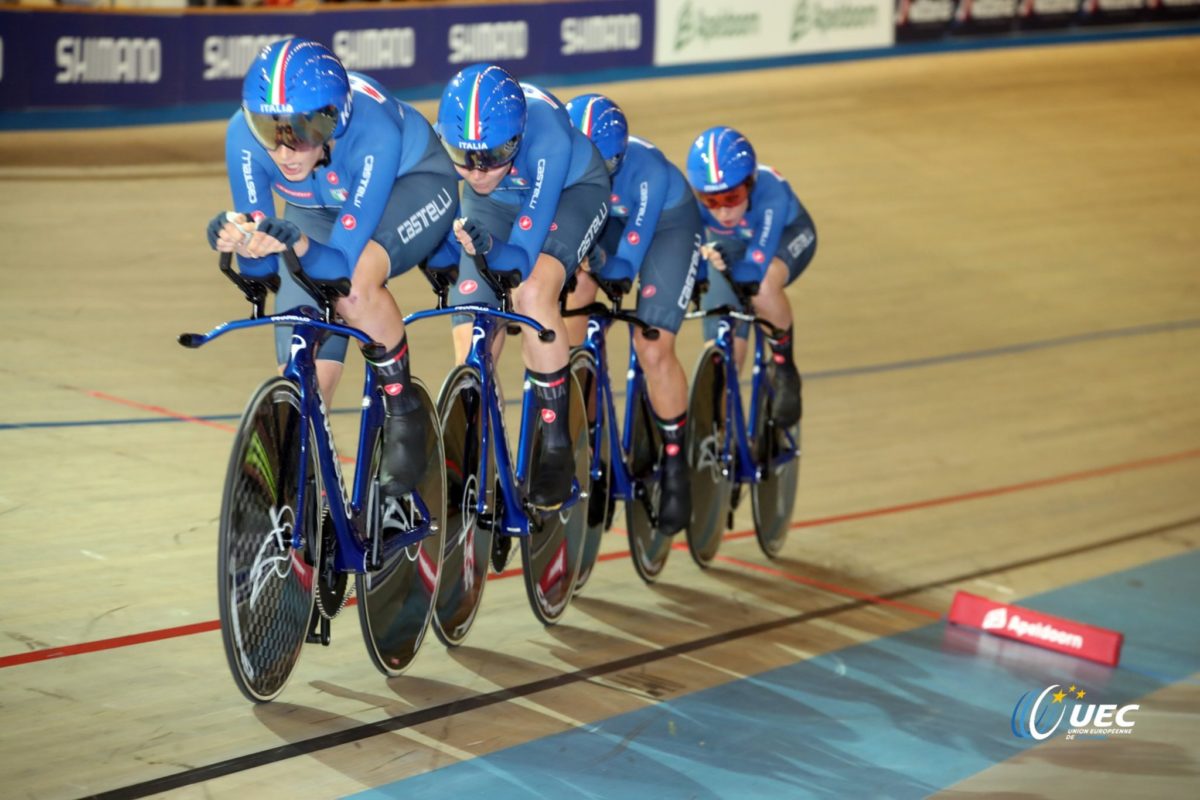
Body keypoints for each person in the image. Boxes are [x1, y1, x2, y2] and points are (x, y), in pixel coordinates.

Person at [205, 37, 459, 502]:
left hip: (410, 187)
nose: (283, 151)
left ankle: (404, 410)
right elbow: (260, 262)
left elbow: (339, 265)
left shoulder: (372, 131)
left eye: (298, 132)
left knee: (353, 289)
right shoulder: (242, 134)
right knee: (303, 380)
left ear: (331, 120)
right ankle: (309, 514)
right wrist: (235, 236)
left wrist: (298, 242)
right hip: (317, 212)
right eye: (270, 130)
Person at [436, 64, 610, 511]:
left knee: (531, 292)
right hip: (496, 204)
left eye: (490, 155)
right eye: (463, 156)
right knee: (473, 328)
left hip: (570, 195)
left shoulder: (547, 135)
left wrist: (490, 247)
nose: (476, 171)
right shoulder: (481, 169)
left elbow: (520, 259)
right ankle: (476, 444)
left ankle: (554, 441)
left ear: (515, 138)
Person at [563, 93, 701, 535]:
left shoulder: (648, 172)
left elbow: (627, 260)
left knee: (652, 343)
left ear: (617, 160)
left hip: (665, 230)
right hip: (608, 222)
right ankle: (580, 431)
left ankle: (677, 461)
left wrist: (598, 262)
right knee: (572, 297)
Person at [686, 125, 817, 427]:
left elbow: (756, 262)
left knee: (762, 285)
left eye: (732, 197)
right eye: (711, 201)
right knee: (724, 340)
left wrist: (741, 269)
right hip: (729, 247)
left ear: (750, 183)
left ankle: (784, 367)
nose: (722, 212)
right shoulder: (693, 201)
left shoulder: (770, 189)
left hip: (785, 237)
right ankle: (717, 436)